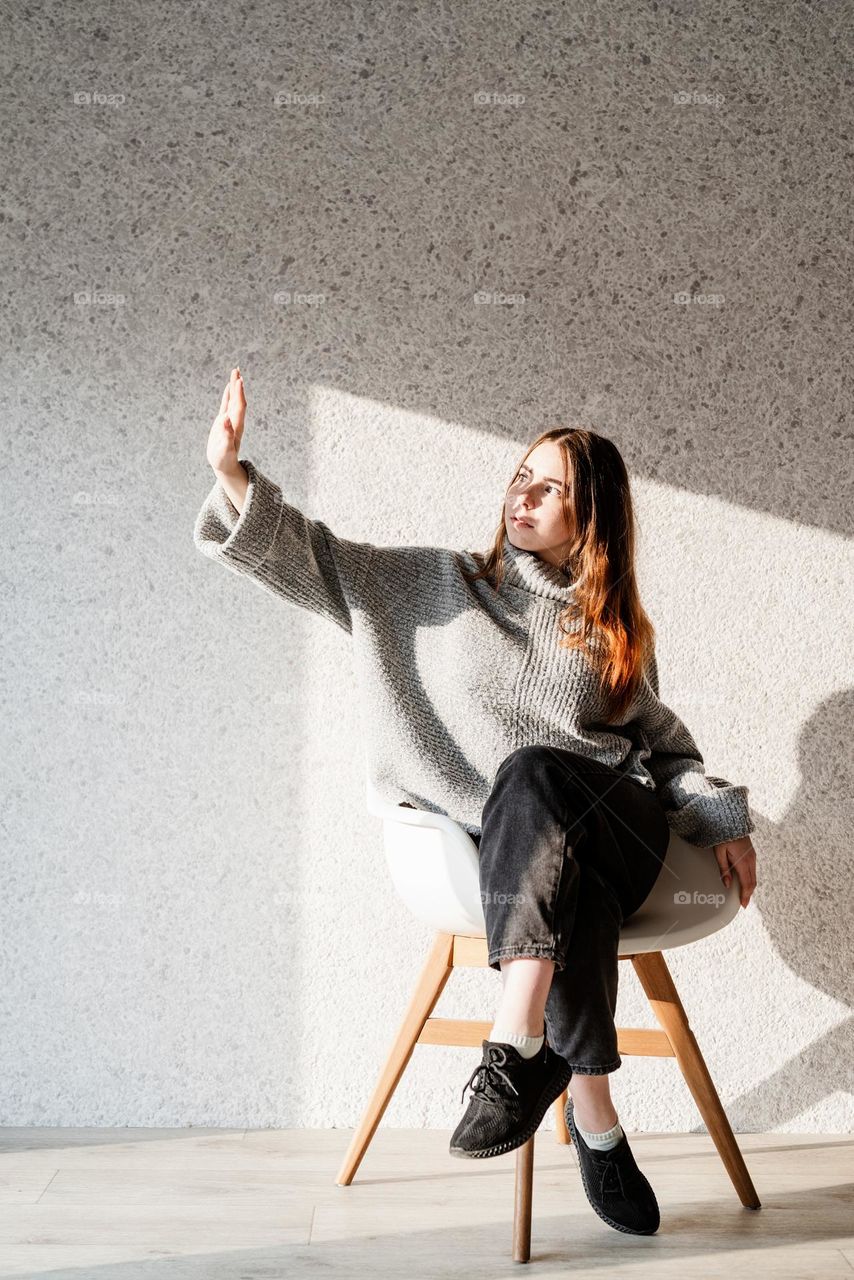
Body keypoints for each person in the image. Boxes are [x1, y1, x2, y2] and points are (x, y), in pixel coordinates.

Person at [194, 367, 758, 1237]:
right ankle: (595, 1114)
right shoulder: (434, 584)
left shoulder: (613, 633)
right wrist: (233, 472)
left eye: (549, 486)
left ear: (591, 515)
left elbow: (668, 750)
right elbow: (318, 562)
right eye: (518, 475)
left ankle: (514, 1047)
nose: (521, 494)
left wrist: (722, 817)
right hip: (519, 858)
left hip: (625, 828)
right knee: (562, 870)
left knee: (537, 772)